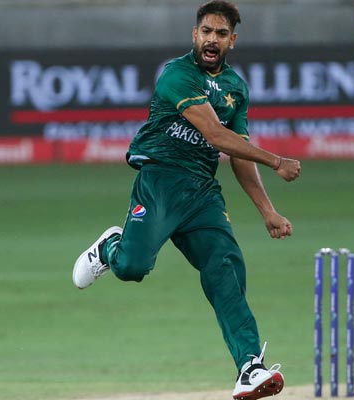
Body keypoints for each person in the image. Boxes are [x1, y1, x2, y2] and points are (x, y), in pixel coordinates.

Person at [71, 1, 301, 399]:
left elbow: (238, 153)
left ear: (233, 41)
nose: (213, 39)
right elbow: (214, 135)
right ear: (195, 35)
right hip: (160, 180)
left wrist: (268, 211)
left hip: (201, 193)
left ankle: (250, 366)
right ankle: (111, 248)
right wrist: (277, 160)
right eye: (207, 31)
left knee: (225, 267)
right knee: (133, 267)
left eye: (221, 34)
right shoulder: (177, 75)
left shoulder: (236, 89)